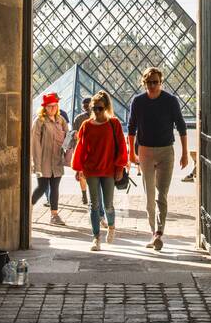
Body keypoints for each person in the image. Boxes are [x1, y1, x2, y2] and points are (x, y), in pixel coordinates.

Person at [127, 67, 188, 251]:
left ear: (161, 82)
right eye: (149, 82)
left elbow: (181, 126)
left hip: (166, 151)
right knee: (149, 195)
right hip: (145, 151)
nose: (152, 85)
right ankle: (153, 231)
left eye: (155, 82)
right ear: (143, 83)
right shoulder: (138, 101)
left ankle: (158, 233)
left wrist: (185, 153)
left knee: (161, 194)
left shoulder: (170, 100)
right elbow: (131, 128)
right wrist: (131, 153)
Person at [72, 90, 127, 251]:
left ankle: (111, 226)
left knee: (108, 205)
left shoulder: (114, 123)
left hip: (109, 169)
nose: (96, 111)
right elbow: (80, 148)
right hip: (91, 169)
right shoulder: (86, 125)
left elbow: (121, 148)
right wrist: (78, 168)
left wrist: (120, 167)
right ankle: (96, 238)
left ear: (106, 107)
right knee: (94, 205)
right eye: (94, 108)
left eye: (100, 108)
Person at [30, 91, 67, 226]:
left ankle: (54, 215)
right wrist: (37, 164)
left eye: (55, 106)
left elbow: (66, 140)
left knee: (55, 187)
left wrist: (72, 138)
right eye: (50, 106)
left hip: (56, 161)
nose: (53, 108)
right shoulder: (39, 122)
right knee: (42, 186)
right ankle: (29, 207)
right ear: (44, 107)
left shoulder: (61, 120)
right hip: (43, 161)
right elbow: (35, 144)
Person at [72, 95, 93, 206]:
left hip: (81, 150)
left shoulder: (78, 118)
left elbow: (74, 135)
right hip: (92, 150)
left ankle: (84, 195)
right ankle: (90, 195)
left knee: (81, 174)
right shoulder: (97, 117)